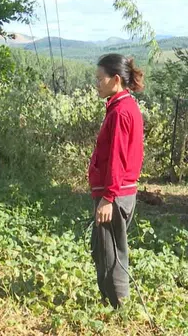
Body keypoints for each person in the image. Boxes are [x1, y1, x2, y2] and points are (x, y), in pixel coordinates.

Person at [88, 53, 144, 309]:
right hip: (118, 193)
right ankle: (108, 302)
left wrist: (108, 198)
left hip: (116, 195)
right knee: (102, 249)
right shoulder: (121, 106)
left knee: (112, 254)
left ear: (116, 80)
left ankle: (120, 308)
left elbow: (117, 160)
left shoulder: (121, 112)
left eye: (101, 79)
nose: (97, 84)